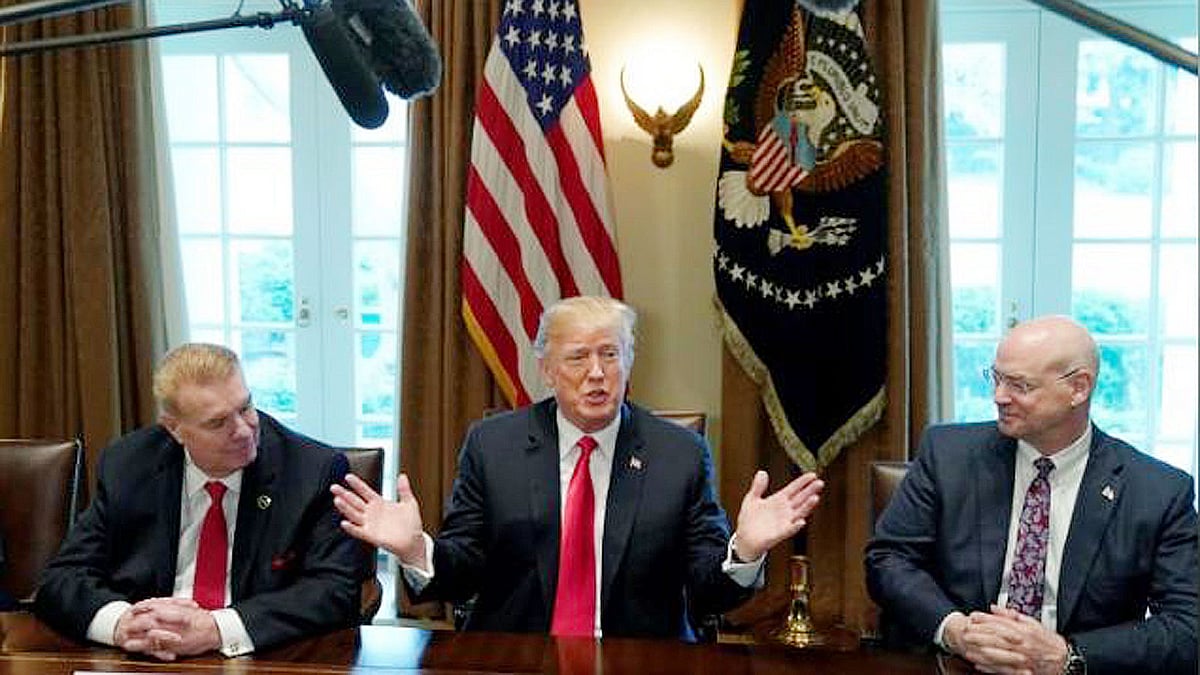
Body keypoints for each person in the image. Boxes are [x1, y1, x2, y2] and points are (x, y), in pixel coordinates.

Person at [332, 296, 824, 639]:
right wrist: (416, 550)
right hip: (518, 657)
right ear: (546, 369)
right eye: (577, 358)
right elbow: (464, 572)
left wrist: (745, 551)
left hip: (640, 659)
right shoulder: (493, 446)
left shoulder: (680, 454)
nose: (596, 374)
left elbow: (706, 588)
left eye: (610, 354)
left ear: (629, 362)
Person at [865, 316, 1198, 674]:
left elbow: (1188, 627)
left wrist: (1067, 655)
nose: (999, 396)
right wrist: (956, 631)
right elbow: (889, 559)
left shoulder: (1157, 491)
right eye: (996, 378)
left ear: (1079, 388)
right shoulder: (947, 454)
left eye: (1019, 385)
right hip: (956, 664)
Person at [35, 343, 364, 660]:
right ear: (175, 429)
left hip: (258, 656)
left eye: (245, 408)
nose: (243, 431)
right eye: (217, 423)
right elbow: (63, 578)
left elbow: (334, 590)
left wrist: (216, 629)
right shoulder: (129, 464)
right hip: (146, 655)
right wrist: (123, 624)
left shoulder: (312, 471)